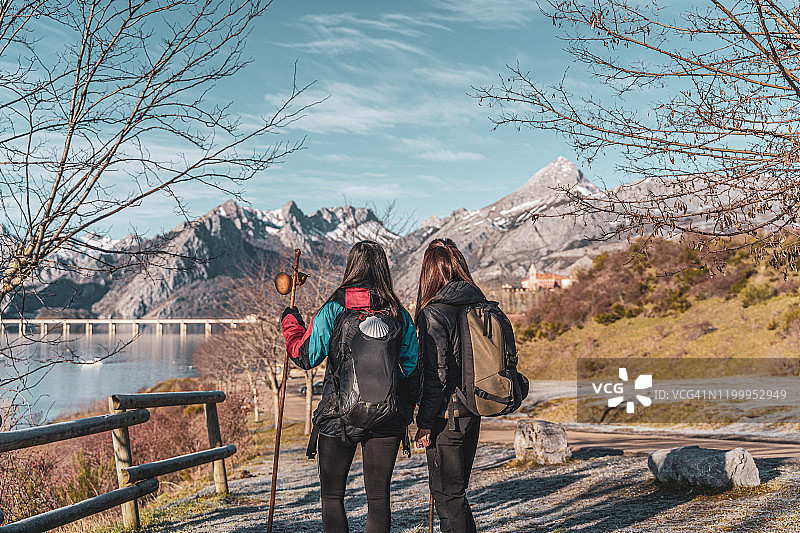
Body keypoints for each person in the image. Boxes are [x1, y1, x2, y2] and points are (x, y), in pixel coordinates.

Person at [281, 240, 419, 533]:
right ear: (383, 268)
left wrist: (290, 321)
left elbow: (303, 356)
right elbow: (411, 367)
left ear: (350, 267)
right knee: (379, 497)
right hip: (387, 417)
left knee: (332, 496)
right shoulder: (398, 313)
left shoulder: (334, 308)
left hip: (337, 417)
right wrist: (403, 411)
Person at [414, 238, 486, 533]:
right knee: (456, 495)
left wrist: (425, 422)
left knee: (446, 497)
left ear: (429, 273)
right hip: (474, 410)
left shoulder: (433, 312)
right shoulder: (479, 304)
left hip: (448, 417)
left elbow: (437, 375)